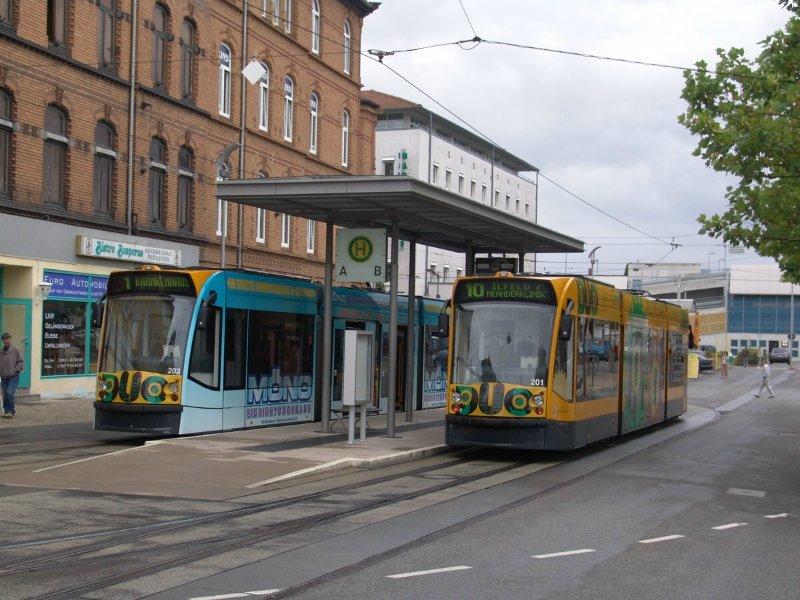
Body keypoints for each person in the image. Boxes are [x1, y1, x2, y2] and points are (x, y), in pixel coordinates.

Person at [0, 332, 24, 418]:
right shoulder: (1, 352)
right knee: (5, 394)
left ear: (10, 340)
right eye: (5, 339)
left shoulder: (15, 350)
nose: (7, 341)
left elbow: (21, 362)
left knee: (10, 393)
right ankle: (7, 411)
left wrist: (16, 370)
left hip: (13, 376)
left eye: (8, 339)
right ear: (3, 341)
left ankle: (11, 410)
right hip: (4, 377)